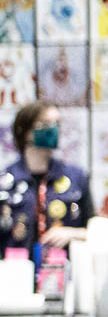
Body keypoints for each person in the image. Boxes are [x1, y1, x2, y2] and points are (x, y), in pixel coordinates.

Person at [1, 102, 91, 262]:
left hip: (63, 273)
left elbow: (96, 230)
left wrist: (72, 233)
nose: (54, 130)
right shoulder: (5, 182)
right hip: (14, 276)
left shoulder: (76, 178)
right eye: (46, 124)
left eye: (57, 124)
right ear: (25, 131)